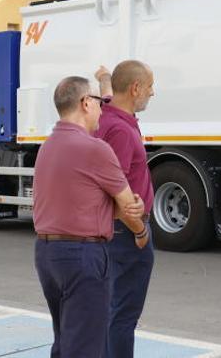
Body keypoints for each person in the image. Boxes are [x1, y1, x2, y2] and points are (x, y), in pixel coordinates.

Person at [33, 76, 147, 358]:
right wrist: (141, 232)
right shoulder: (95, 149)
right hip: (82, 255)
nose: (103, 108)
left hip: (48, 253)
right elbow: (127, 205)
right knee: (85, 347)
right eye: (100, 102)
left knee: (65, 342)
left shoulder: (47, 146)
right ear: (85, 103)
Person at [94, 60, 156, 357]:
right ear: (134, 89)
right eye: (149, 86)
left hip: (115, 232)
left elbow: (108, 92)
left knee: (112, 311)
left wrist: (105, 78)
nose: (152, 93)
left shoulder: (107, 113)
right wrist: (140, 231)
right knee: (122, 316)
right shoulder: (120, 130)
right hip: (126, 233)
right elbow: (115, 188)